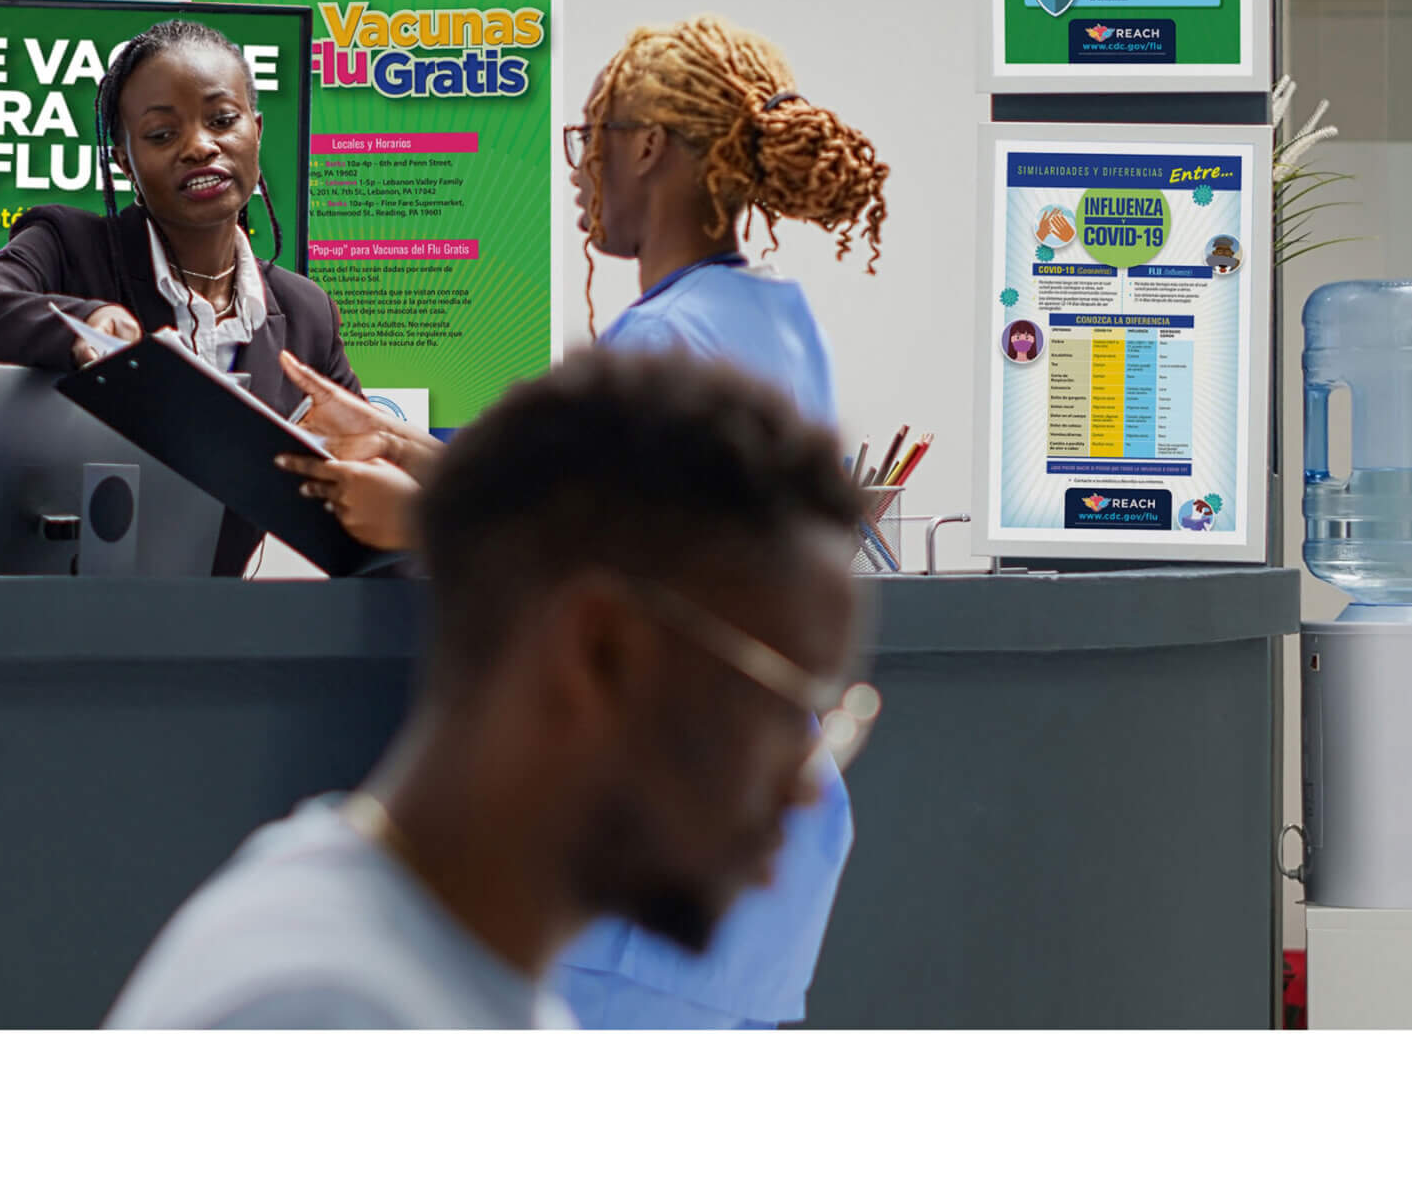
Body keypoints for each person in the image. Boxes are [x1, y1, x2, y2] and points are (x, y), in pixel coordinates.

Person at [276, 14, 889, 1029]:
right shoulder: (768, 319)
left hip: (655, 858)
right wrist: (407, 448)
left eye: (589, 139)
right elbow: (652, 515)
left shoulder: (661, 337)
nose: (580, 172)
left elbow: (620, 577)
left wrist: (418, 516)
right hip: (757, 857)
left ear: (646, 146)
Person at [106, 348, 873, 1028]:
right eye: (777, 706)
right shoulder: (327, 1015)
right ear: (597, 652)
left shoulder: (433, 979)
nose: (808, 793)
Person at [0, 18, 358, 575]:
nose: (200, 147)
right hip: (55, 617)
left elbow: (364, 479)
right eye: (161, 134)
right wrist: (86, 323)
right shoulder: (70, 247)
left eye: (223, 120)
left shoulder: (304, 311)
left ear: (257, 130)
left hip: (212, 628)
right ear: (124, 161)